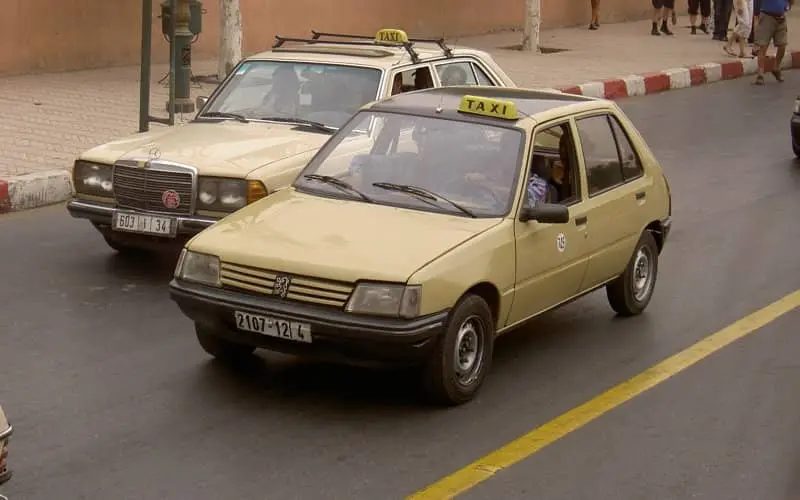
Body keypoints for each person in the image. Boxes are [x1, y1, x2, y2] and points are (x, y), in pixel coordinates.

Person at [753, 0, 793, 84]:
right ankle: (760, 74)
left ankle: (776, 68)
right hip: (767, 16)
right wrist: (756, 15)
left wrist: (787, 6)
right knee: (763, 46)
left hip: (781, 18)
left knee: (782, 45)